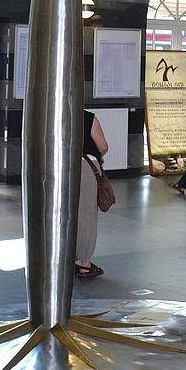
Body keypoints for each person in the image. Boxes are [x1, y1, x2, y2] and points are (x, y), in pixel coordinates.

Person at [76, 111, 110, 278]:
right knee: (86, 214)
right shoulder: (87, 117)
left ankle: (63, 257)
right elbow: (103, 146)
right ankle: (85, 264)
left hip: (59, 165)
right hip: (84, 167)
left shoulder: (51, 113)